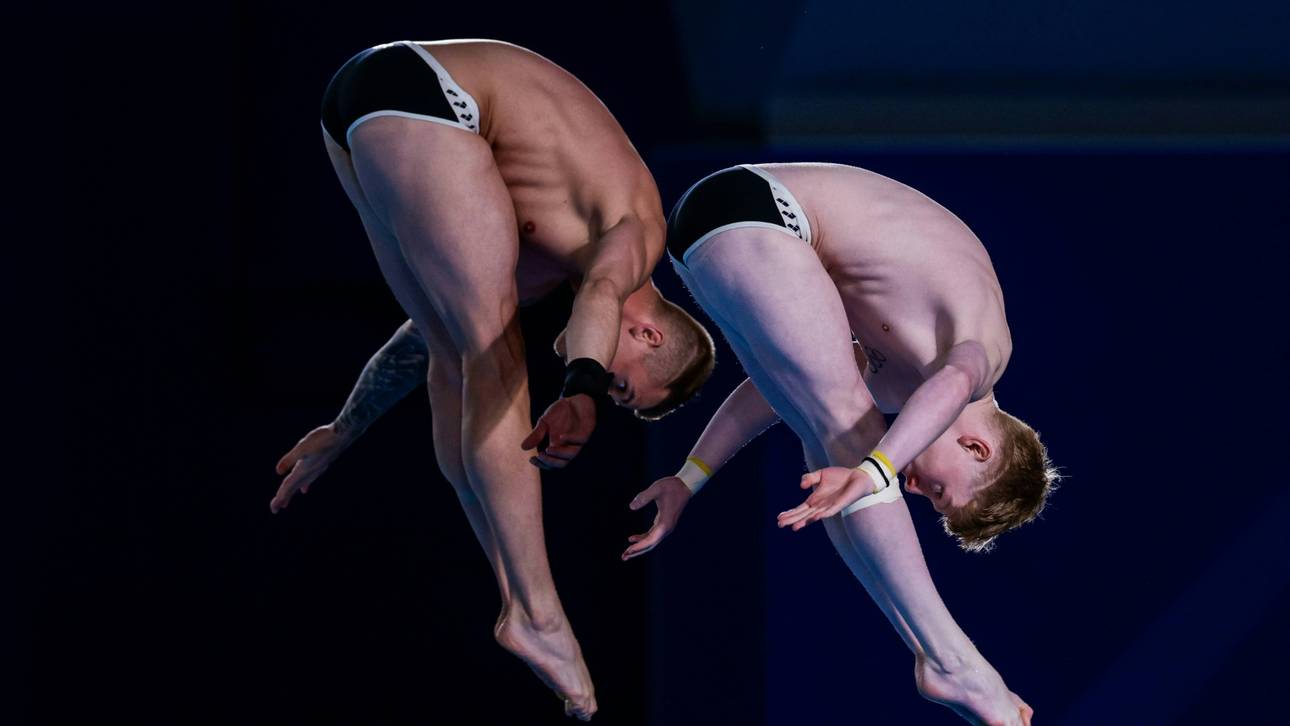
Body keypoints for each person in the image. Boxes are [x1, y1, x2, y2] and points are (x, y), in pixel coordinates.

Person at [271, 39, 714, 721]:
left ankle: (517, 597)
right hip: (429, 92)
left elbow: (416, 340)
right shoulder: (640, 231)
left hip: (358, 105)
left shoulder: (544, 258)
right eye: (628, 387)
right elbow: (601, 295)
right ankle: (537, 610)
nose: (612, 389)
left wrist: (344, 427)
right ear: (649, 335)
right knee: (491, 350)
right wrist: (584, 391)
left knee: (456, 350)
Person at [625, 162, 1056, 723]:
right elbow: (951, 388)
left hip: (709, 231)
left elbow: (764, 394)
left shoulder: (901, 379)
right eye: (940, 491)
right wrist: (875, 470)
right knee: (854, 440)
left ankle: (931, 652)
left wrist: (690, 477)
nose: (915, 486)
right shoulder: (986, 352)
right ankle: (954, 661)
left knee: (822, 433)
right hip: (760, 210)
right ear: (979, 449)